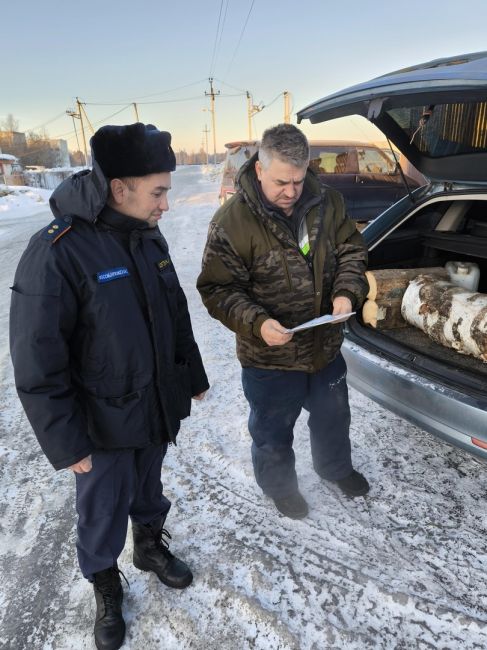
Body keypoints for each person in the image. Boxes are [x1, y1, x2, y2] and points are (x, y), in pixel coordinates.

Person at [10, 123, 209, 650]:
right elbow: (36, 356)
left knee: (149, 488)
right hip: (100, 421)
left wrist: (190, 375)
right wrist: (65, 439)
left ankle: (147, 547)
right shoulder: (59, 251)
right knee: (101, 510)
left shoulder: (146, 233)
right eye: (159, 191)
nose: (167, 203)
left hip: (153, 403)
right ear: (121, 188)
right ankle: (104, 581)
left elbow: (173, 310)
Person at [197, 123, 369, 520]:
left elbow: (352, 252)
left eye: (297, 180)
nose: (291, 191)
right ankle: (280, 488)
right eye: (281, 182)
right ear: (259, 169)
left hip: (324, 347)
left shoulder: (329, 203)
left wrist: (347, 291)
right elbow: (218, 290)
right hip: (269, 357)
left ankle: (335, 469)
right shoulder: (230, 222)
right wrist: (257, 323)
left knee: (333, 416)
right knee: (272, 430)